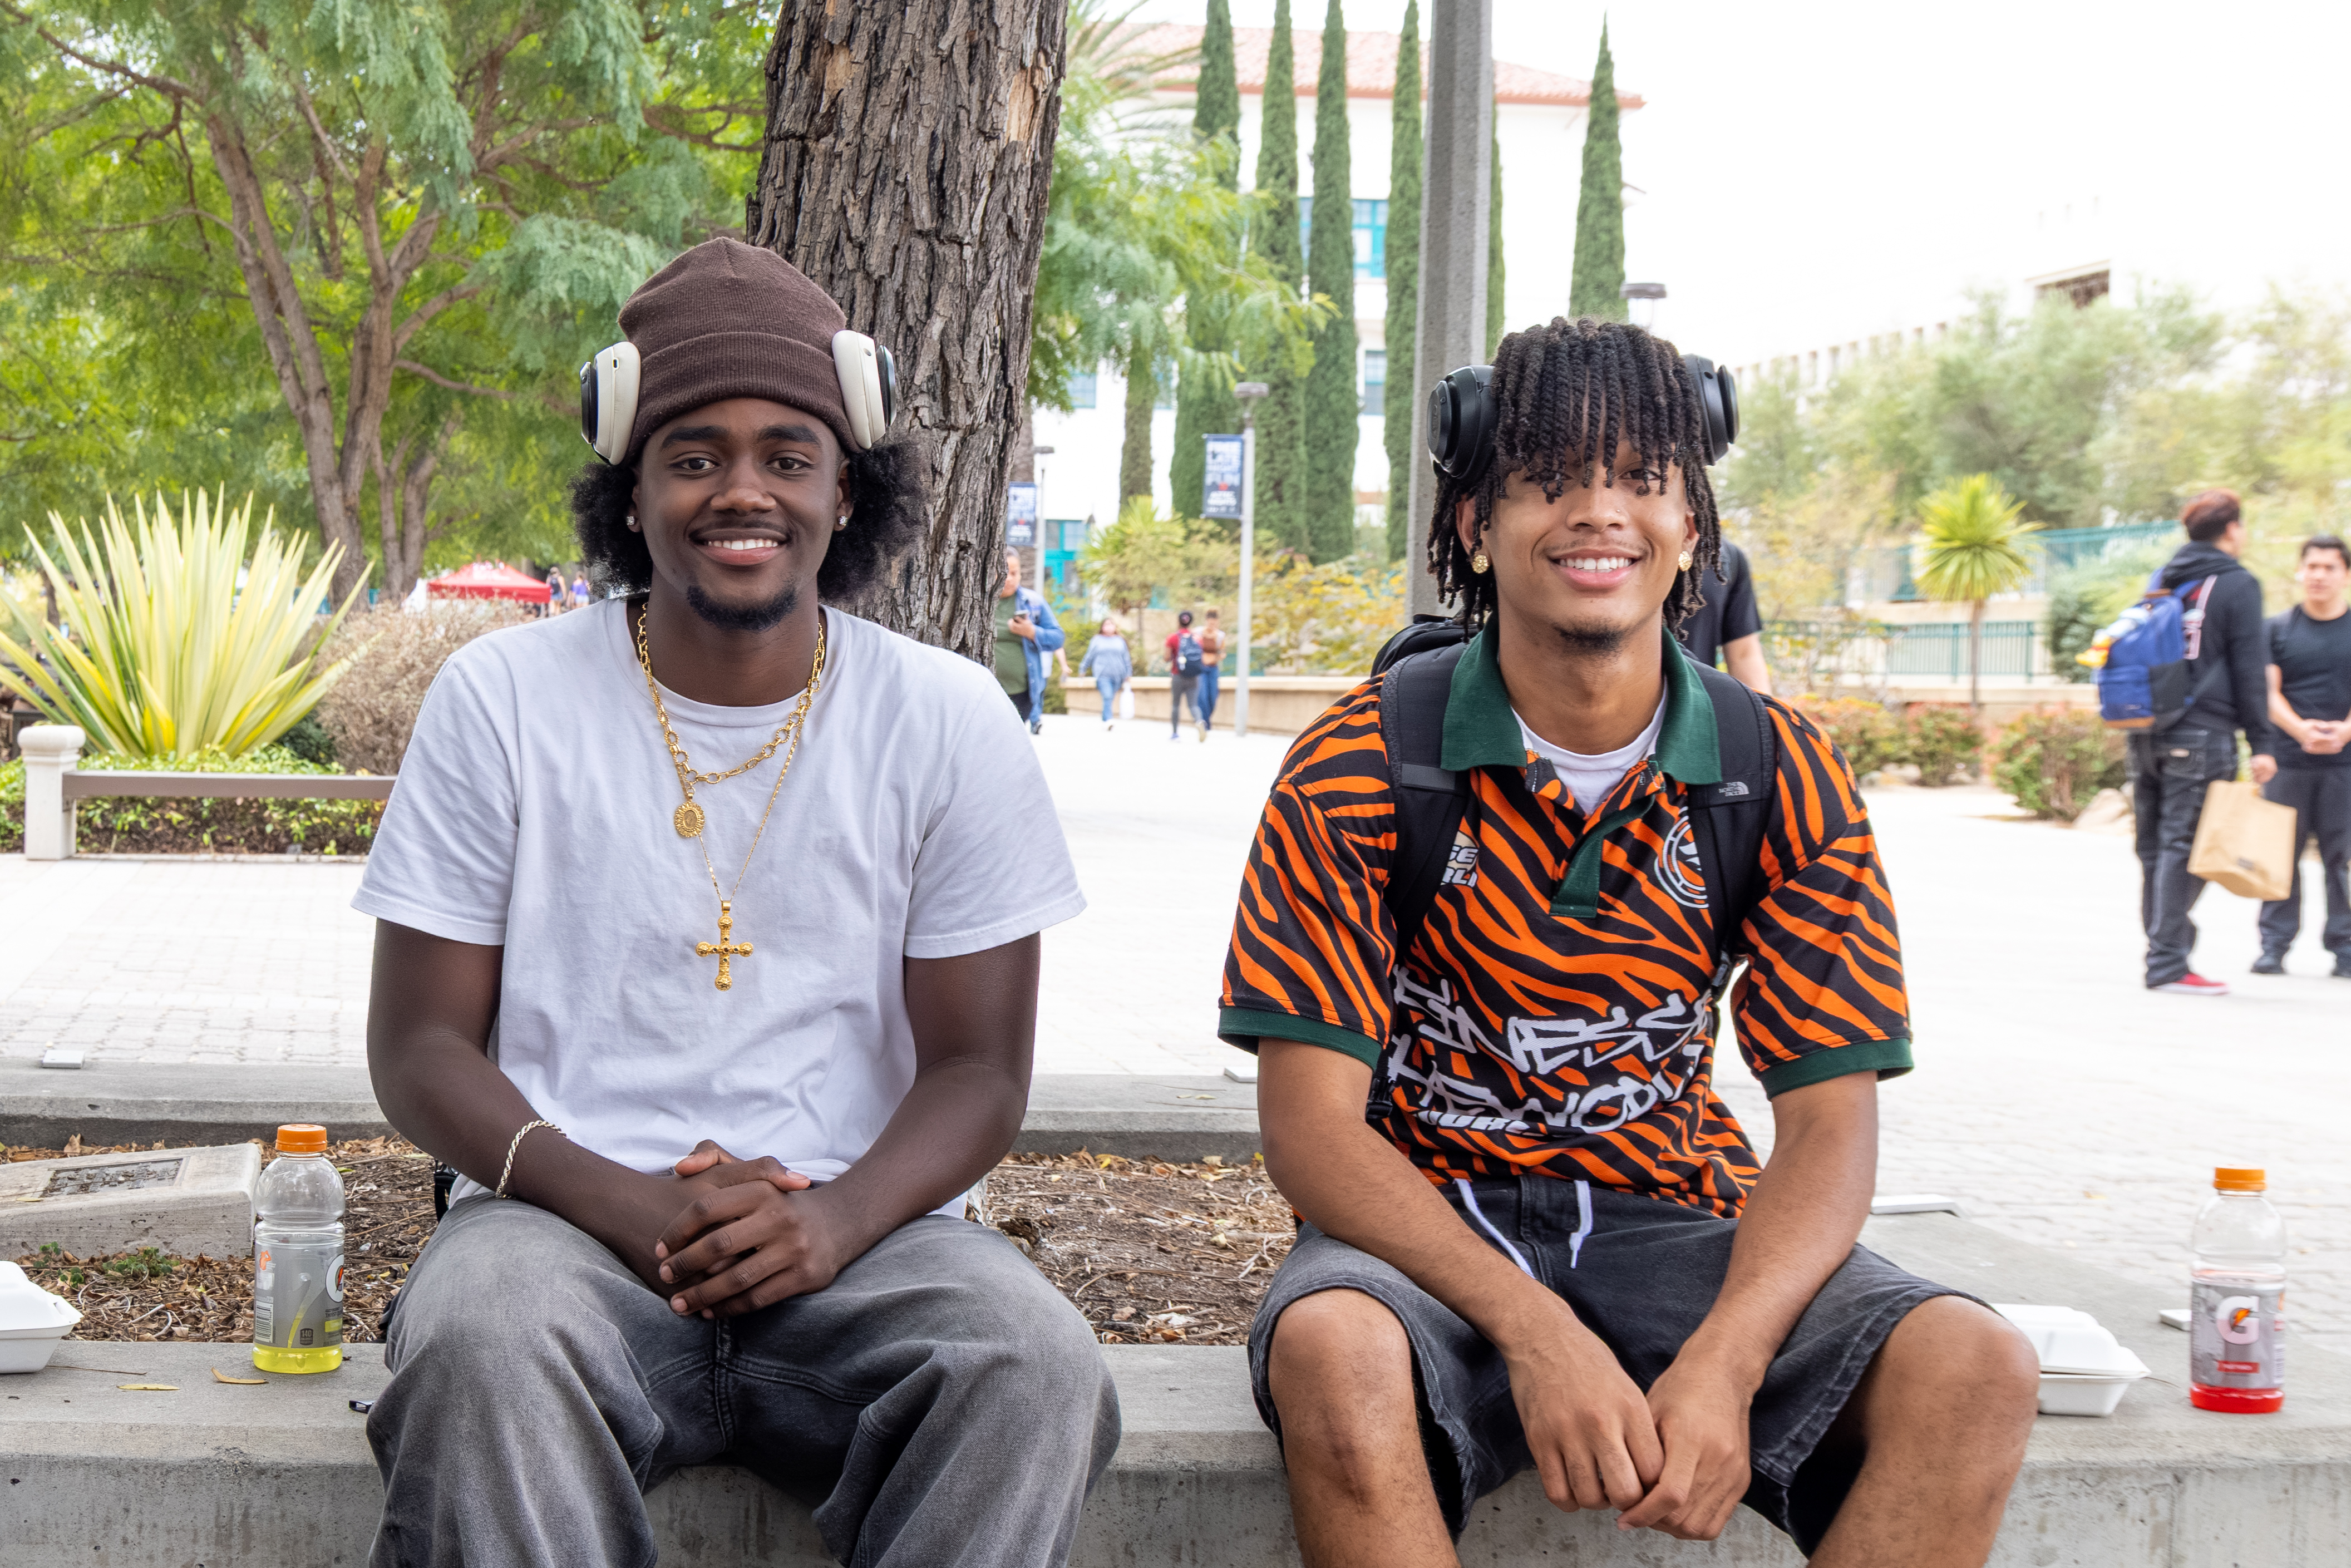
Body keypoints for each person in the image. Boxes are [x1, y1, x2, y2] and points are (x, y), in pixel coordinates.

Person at [1219, 318, 2037, 1568]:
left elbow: (1828, 1116)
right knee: (1336, 1347)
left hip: (1673, 1212)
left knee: (1974, 1364)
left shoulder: (1779, 769)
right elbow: (1312, 1128)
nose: (1598, 514)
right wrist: (1535, 1329)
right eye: (1548, 480)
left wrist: (1727, 1356)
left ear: (1692, 523)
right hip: (1425, 1222)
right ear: (1474, 521)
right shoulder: (1362, 761)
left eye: (1642, 480)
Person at [353, 238, 1116, 1568]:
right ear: (631, 487)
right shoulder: (504, 699)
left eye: (787, 454)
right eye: (693, 454)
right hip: (557, 1235)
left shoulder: (943, 718)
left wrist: (831, 1219)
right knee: (480, 1341)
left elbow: (982, 1067)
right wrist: (624, 1202)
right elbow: (418, 1049)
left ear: (844, 486)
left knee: (1032, 1363)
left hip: (871, 1238)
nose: (741, 490)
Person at [2131, 489, 2278, 997]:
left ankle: (2163, 953)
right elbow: (2249, 669)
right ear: (2232, 529)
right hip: (2203, 732)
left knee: (2155, 848)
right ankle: (2168, 962)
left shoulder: (2162, 579)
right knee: (2188, 847)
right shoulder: (2237, 584)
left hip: (2146, 731)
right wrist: (2262, 743)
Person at [2254, 534, 2351, 977]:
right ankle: (2273, 946)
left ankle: (2345, 949)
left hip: (2343, 765)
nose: (2318, 575)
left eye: (2329, 567)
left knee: (2343, 859)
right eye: (2311, 566)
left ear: (2344, 575)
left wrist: (2344, 733)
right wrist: (2300, 731)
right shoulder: (2276, 629)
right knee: (2278, 856)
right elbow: (2266, 692)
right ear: (2300, 570)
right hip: (2288, 761)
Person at [1673, 539, 1772, 693]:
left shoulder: (1726, 556)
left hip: (1696, 707)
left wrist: (1764, 713)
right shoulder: (1630, 554)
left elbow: (1744, 654)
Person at [994, 546, 1064, 736]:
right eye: (1003, 571)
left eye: (1014, 573)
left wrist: (1031, 632)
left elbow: (1058, 638)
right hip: (985, 690)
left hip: (1021, 692)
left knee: (1009, 742)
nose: (1009, 578)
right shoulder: (977, 601)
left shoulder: (1033, 602)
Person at [1080, 617, 1132, 728]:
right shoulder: (1097, 640)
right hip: (1102, 674)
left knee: (1110, 697)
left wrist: (1128, 672)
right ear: (1102, 627)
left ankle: (1105, 716)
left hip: (1118, 674)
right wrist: (1083, 669)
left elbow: (1126, 657)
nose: (1109, 627)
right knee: (1108, 695)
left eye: (1111, 624)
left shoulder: (1120, 640)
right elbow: (1089, 655)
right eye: (1106, 625)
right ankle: (1109, 719)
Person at [1166, 609, 1204, 741]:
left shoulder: (1173, 637)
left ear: (1179, 621)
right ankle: (1199, 721)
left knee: (1176, 704)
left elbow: (1166, 657)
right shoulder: (1197, 638)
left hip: (1178, 675)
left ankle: (1175, 733)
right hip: (1194, 676)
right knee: (1193, 705)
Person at [1196, 608, 1227, 732]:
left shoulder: (1220, 636)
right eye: (1210, 622)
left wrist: (1219, 654)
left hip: (1213, 668)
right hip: (1201, 668)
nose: (1212, 625)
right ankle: (1205, 723)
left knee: (1212, 697)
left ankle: (1206, 720)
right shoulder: (1198, 633)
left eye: (1215, 623)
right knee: (1202, 695)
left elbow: (1222, 652)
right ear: (1207, 621)